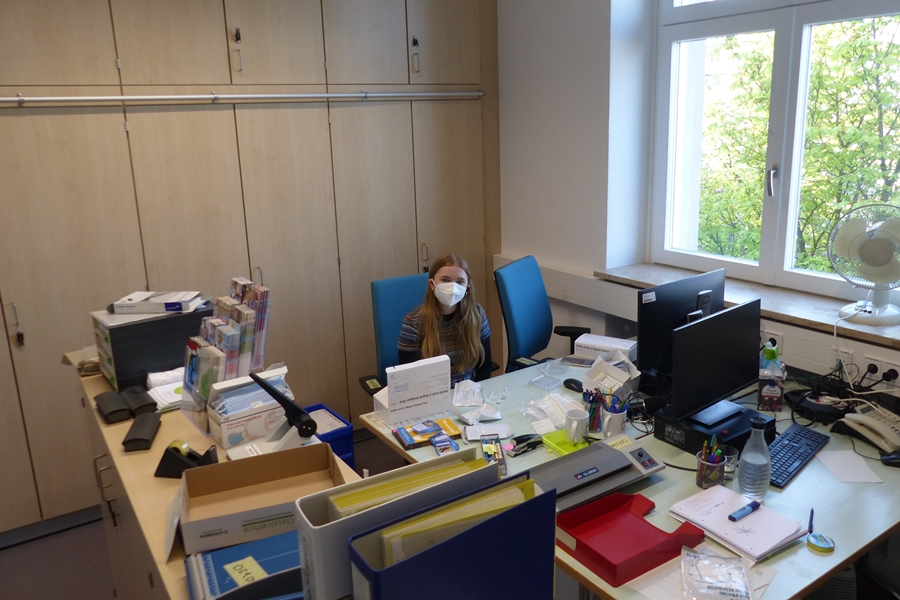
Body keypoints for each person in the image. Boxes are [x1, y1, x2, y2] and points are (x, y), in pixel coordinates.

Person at [397, 253, 492, 385]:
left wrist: (474, 392)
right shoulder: (413, 322)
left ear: (467, 287)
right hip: (430, 393)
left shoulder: (477, 314)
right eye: (446, 280)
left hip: (467, 392)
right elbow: (407, 377)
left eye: (460, 282)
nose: (453, 287)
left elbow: (485, 365)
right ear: (432, 284)